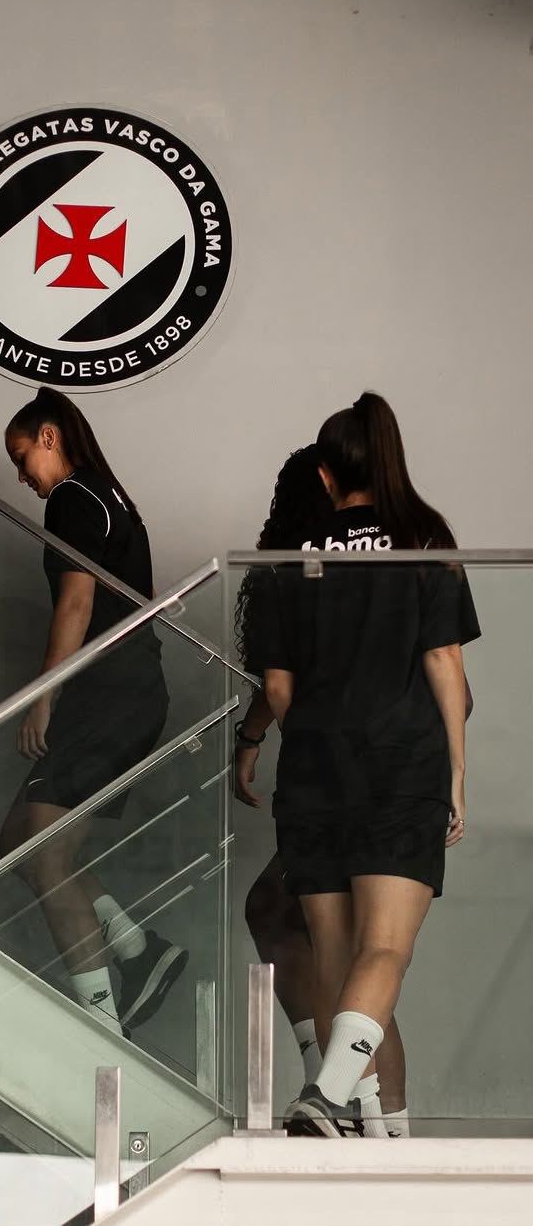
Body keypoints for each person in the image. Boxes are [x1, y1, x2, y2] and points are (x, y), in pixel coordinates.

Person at [250, 393, 478, 1137]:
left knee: (335, 956)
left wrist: (318, 742)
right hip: (400, 765)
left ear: (325, 475)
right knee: (382, 950)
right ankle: (328, 1097)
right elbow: (443, 661)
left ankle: (366, 1129)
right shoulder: (422, 537)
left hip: (313, 769)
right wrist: (456, 771)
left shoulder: (294, 556)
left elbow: (277, 687)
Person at [234, 445, 410, 1137]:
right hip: (375, 773)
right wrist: (252, 735)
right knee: (296, 920)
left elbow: (287, 682)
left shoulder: (303, 572)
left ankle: (365, 1114)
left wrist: (273, 742)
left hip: (341, 780)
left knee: (360, 956)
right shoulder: (369, 564)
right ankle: (342, 1097)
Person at [0, 387, 185, 1036]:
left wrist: (43, 697)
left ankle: (100, 1026)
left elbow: (76, 603)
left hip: (108, 693)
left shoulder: (75, 497)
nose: (22, 477)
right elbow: (146, 598)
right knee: (17, 841)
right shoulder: (113, 497)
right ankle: (137, 948)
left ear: (49, 436)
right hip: (125, 691)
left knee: (46, 856)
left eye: (22, 458)